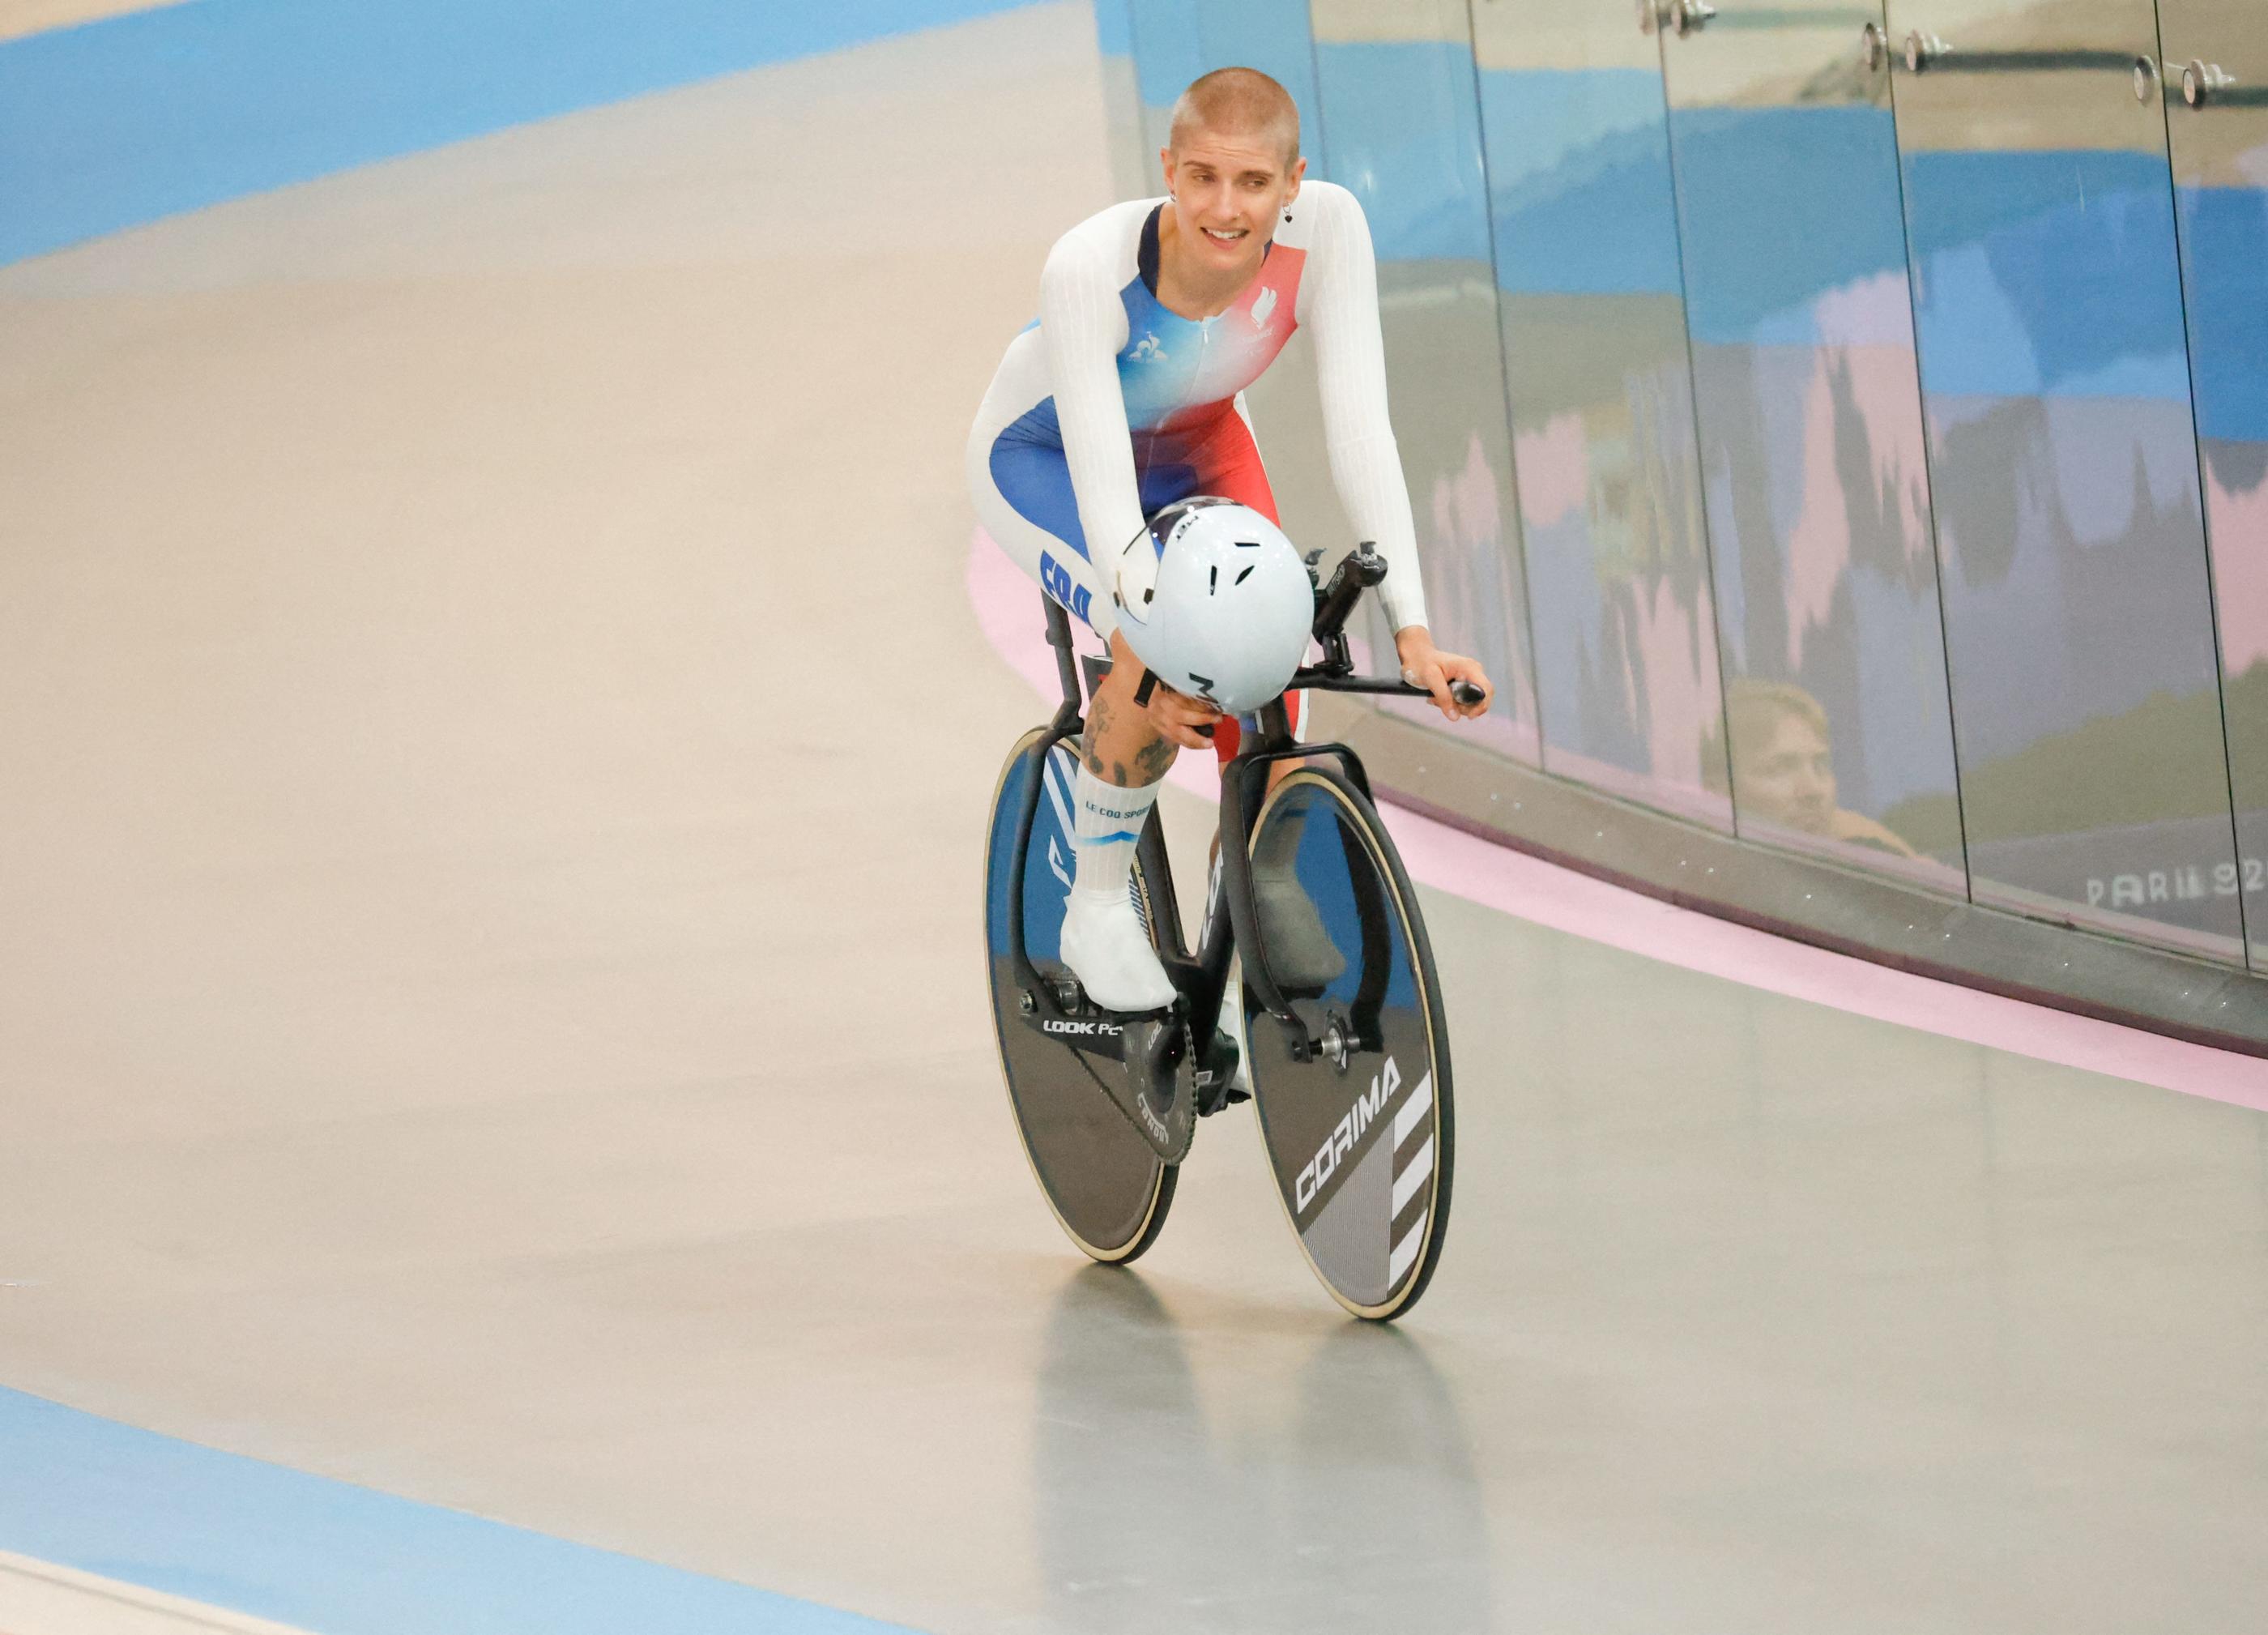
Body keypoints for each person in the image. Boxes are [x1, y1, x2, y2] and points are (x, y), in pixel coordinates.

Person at [968, 66, 1492, 1012]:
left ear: (1292, 185)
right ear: (1167, 169)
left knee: (1277, 644)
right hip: (1048, 462)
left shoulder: (1328, 231)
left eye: (1252, 183)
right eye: (1202, 177)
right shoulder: (1090, 267)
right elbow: (1108, 505)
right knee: (1153, 653)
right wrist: (1155, 648)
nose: (1225, 206)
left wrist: (1411, 626)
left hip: (1203, 439)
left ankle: (1249, 871)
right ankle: (1093, 905)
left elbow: (1360, 430)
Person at [1720, 680, 1915, 856]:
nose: (1813, 790)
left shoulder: (1870, 858)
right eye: (1779, 768)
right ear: (1719, 790)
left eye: (1820, 766)